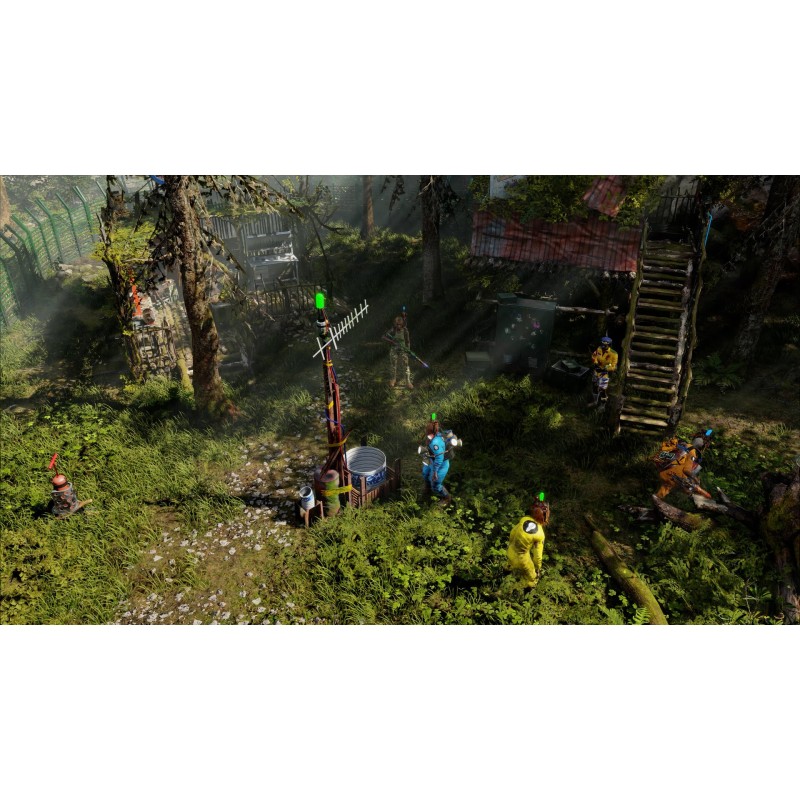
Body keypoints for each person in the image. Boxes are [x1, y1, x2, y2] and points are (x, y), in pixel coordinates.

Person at [653, 429, 712, 499]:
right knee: (691, 490)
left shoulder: (684, 446)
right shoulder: (693, 453)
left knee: (664, 490)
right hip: (673, 475)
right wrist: (695, 479)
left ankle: (655, 499)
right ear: (702, 445)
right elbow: (686, 470)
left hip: (664, 471)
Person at [507, 495, 550, 588]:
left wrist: (511, 545)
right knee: (533, 579)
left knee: (509, 565)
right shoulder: (540, 534)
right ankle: (525, 592)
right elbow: (538, 557)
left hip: (510, 551)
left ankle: (505, 572)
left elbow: (512, 533)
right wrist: (537, 569)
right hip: (522, 560)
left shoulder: (524, 519)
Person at [421, 419, 451, 506]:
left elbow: (439, 459)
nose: (426, 433)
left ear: (431, 432)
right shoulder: (436, 435)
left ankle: (446, 497)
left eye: (427, 432)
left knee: (435, 484)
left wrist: (435, 472)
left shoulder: (435, 443)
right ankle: (428, 487)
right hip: (431, 460)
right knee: (425, 473)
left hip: (441, 465)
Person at [588, 336, 618, 407]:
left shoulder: (614, 354)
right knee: (594, 386)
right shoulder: (599, 349)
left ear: (609, 345)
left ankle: (602, 405)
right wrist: (595, 362)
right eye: (602, 344)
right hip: (596, 371)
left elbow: (614, 366)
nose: (603, 346)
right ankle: (595, 402)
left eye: (605, 345)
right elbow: (594, 356)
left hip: (604, 373)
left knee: (602, 390)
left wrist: (606, 369)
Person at [386, 315, 413, 389]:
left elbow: (407, 341)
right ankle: (393, 379)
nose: (398, 326)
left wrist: (408, 350)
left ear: (402, 324)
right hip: (394, 349)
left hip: (403, 349)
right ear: (395, 324)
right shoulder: (393, 330)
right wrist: (391, 341)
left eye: (400, 324)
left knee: (405, 365)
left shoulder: (405, 330)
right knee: (393, 365)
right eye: (397, 324)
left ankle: (408, 381)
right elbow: (385, 336)